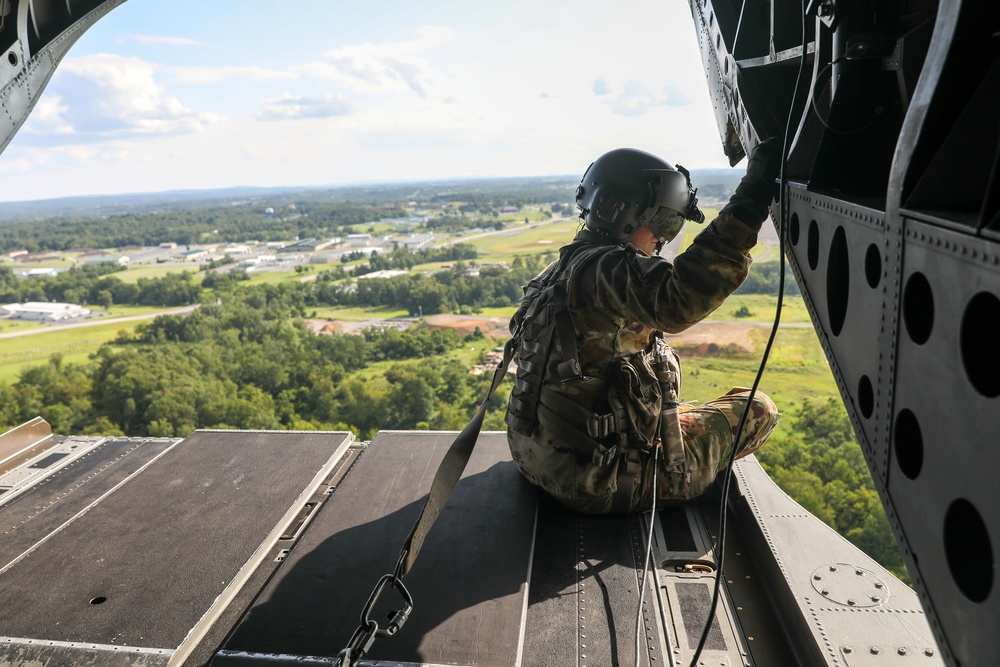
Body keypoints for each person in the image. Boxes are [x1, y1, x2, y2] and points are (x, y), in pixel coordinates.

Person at [505, 140, 782, 514]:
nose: (663, 237)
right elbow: (682, 297)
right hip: (602, 481)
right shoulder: (606, 271)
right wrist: (750, 201)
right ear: (623, 214)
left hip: (538, 461)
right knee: (758, 409)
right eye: (664, 221)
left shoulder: (556, 272)